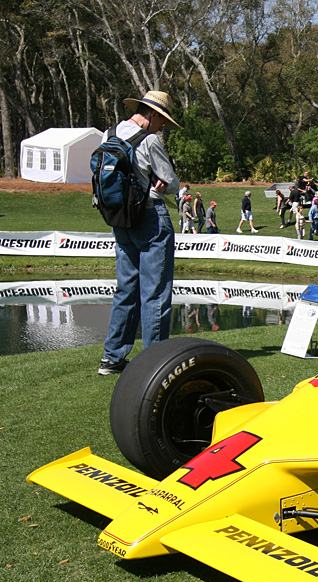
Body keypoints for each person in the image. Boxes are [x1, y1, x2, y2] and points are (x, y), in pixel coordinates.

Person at [97, 91, 180, 375]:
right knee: (155, 292)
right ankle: (154, 363)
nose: (163, 128)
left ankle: (112, 357)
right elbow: (171, 183)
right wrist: (159, 180)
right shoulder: (150, 141)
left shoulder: (108, 134)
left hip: (120, 218)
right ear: (153, 114)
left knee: (126, 288)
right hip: (150, 216)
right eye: (163, 121)